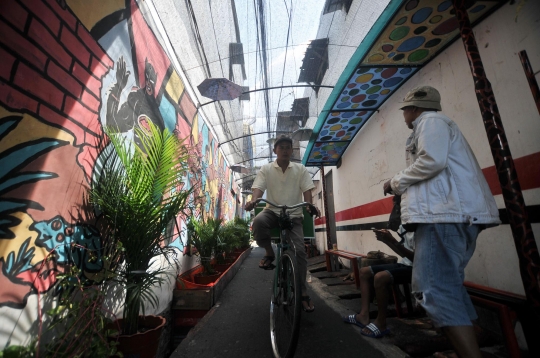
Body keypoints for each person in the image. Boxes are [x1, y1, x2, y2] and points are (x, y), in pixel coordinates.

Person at [383, 86, 500, 357]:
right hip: (450, 215)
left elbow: (432, 161)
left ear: (412, 109)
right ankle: (469, 342)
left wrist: (395, 182)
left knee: (432, 289)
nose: (404, 115)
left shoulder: (430, 122)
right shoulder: (437, 123)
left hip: (444, 216)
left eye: (405, 109)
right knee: (447, 286)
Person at [244, 135, 320, 312]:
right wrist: (254, 200)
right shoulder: (267, 169)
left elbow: (307, 190)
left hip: (294, 214)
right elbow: (258, 189)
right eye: (282, 147)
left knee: (300, 251)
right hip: (272, 211)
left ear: (291, 150)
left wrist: (309, 205)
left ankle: (302, 291)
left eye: (288, 147)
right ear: (275, 150)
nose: (285, 150)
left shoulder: (300, 169)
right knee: (258, 222)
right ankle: (270, 253)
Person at [343, 227, 414, 339]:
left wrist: (393, 241)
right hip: (406, 263)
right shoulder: (404, 226)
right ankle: (363, 315)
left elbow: (416, 258)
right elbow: (403, 254)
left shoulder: (420, 227)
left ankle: (381, 323)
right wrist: (386, 241)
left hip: (418, 267)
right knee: (364, 272)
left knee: (380, 277)